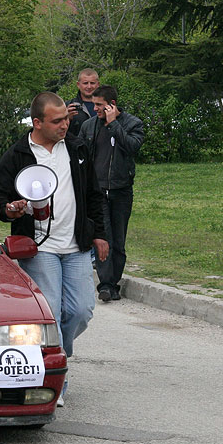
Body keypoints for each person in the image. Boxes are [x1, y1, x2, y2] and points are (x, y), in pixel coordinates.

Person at [0, 91, 108, 407]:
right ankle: (57, 376)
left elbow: (94, 194)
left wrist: (100, 234)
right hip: (40, 247)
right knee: (50, 312)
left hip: (77, 245)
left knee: (81, 311)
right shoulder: (17, 154)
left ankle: (60, 353)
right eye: (57, 121)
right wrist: (10, 210)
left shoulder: (78, 148)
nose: (65, 125)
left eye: (66, 119)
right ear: (37, 122)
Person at [78, 85, 144, 302]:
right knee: (103, 237)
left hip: (121, 190)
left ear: (111, 105)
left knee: (118, 239)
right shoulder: (89, 126)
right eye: (93, 104)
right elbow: (79, 152)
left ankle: (114, 282)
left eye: (99, 105)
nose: (95, 108)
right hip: (98, 192)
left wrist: (114, 124)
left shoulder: (132, 123)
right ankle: (105, 285)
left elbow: (132, 147)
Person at [67, 68, 100, 138]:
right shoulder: (68, 107)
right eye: (85, 83)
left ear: (98, 84)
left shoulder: (106, 107)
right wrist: (65, 119)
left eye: (92, 83)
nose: (89, 86)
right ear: (78, 84)